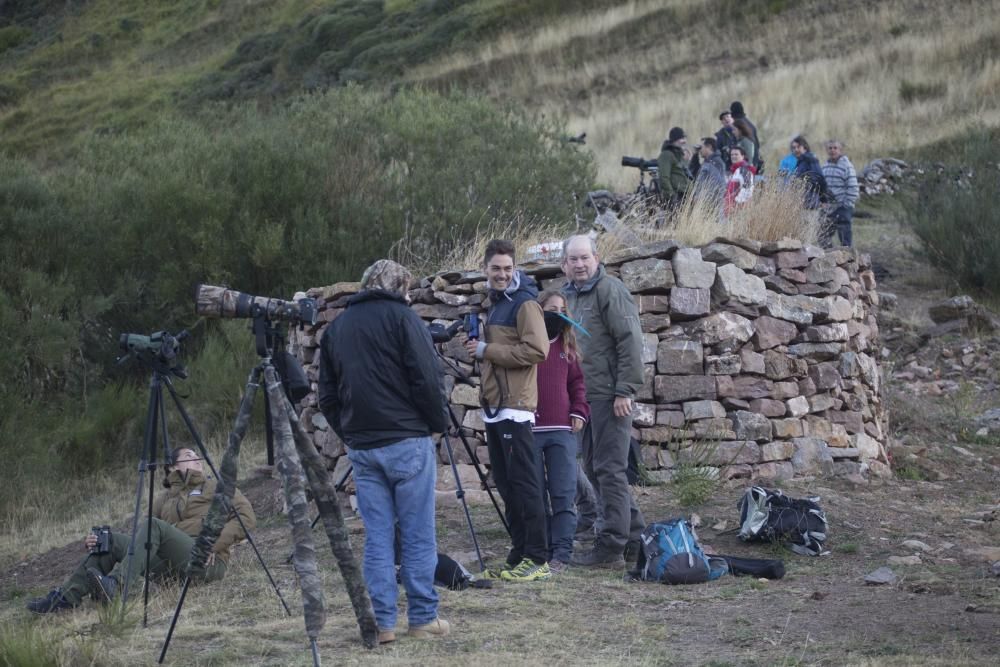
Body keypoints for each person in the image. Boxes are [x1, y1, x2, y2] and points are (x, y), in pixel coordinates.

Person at [318, 258, 450, 643]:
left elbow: (326, 395)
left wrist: (350, 432)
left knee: (377, 537)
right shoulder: (403, 318)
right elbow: (427, 377)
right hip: (407, 439)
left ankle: (382, 621)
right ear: (399, 287)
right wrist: (436, 423)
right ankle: (424, 617)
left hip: (364, 446)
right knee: (417, 534)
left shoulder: (337, 327)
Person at [26, 447, 255, 614]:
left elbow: (246, 517)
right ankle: (65, 599)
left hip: (207, 563)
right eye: (188, 456)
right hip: (170, 569)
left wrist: (211, 544)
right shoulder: (165, 499)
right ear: (173, 467)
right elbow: (143, 539)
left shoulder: (216, 485)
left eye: (197, 456)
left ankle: (116, 585)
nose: (197, 459)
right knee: (110, 540)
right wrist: (97, 541)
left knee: (153, 525)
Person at [463, 239, 551, 582]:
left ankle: (538, 557)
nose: (502, 274)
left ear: (515, 270)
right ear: (485, 269)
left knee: (526, 483)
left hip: (516, 407)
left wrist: (487, 350)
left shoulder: (525, 304)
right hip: (495, 407)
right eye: (496, 268)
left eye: (507, 268)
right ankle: (519, 552)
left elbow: (537, 350)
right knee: (505, 482)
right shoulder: (496, 303)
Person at [560, 235, 646, 568]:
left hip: (611, 397)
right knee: (597, 470)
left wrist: (625, 389)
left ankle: (610, 548)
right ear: (564, 264)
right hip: (585, 397)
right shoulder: (567, 295)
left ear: (596, 258)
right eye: (574, 259)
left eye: (585, 258)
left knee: (610, 470)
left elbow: (630, 341)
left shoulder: (610, 291)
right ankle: (635, 539)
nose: (580, 265)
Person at [533, 289, 590, 573]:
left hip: (562, 430)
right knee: (535, 494)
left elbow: (577, 384)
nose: (555, 313)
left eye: (561, 309)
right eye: (550, 308)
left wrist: (579, 410)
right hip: (530, 429)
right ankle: (539, 550)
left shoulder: (567, 349)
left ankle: (562, 553)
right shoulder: (529, 345)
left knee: (563, 492)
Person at [820, 139, 860, 248]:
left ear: (840, 150)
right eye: (830, 148)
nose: (832, 150)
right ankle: (829, 258)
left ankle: (847, 261)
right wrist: (822, 201)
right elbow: (822, 187)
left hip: (843, 206)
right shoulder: (824, 167)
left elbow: (853, 188)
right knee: (822, 234)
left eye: (835, 148)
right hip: (828, 207)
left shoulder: (847, 166)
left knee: (844, 238)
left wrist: (846, 205)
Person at [656, 126, 692, 209]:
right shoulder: (666, 155)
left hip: (684, 196)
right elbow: (664, 177)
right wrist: (672, 196)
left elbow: (682, 173)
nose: (685, 141)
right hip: (676, 197)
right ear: (675, 140)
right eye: (682, 138)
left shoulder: (679, 154)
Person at [790, 135, 828, 212]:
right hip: (801, 203)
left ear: (805, 147)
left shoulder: (810, 160)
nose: (796, 150)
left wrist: (824, 200)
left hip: (810, 203)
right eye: (793, 148)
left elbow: (820, 180)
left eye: (798, 147)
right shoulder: (800, 161)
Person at [692, 136, 728, 206]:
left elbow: (715, 184)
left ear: (709, 147)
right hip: (705, 202)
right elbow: (693, 172)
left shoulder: (716, 162)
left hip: (711, 203)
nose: (700, 150)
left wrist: (702, 198)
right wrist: (695, 155)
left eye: (701, 147)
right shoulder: (707, 161)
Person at [725, 145, 757, 215]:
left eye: (736, 154)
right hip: (731, 210)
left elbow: (748, 188)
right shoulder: (734, 170)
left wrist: (736, 205)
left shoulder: (744, 170)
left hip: (738, 211)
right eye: (732, 154)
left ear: (743, 156)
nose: (733, 156)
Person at [730, 100, 762, 171]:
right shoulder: (751, 125)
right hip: (754, 164)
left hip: (745, 168)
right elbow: (758, 146)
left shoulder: (737, 126)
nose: (733, 132)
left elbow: (749, 157)